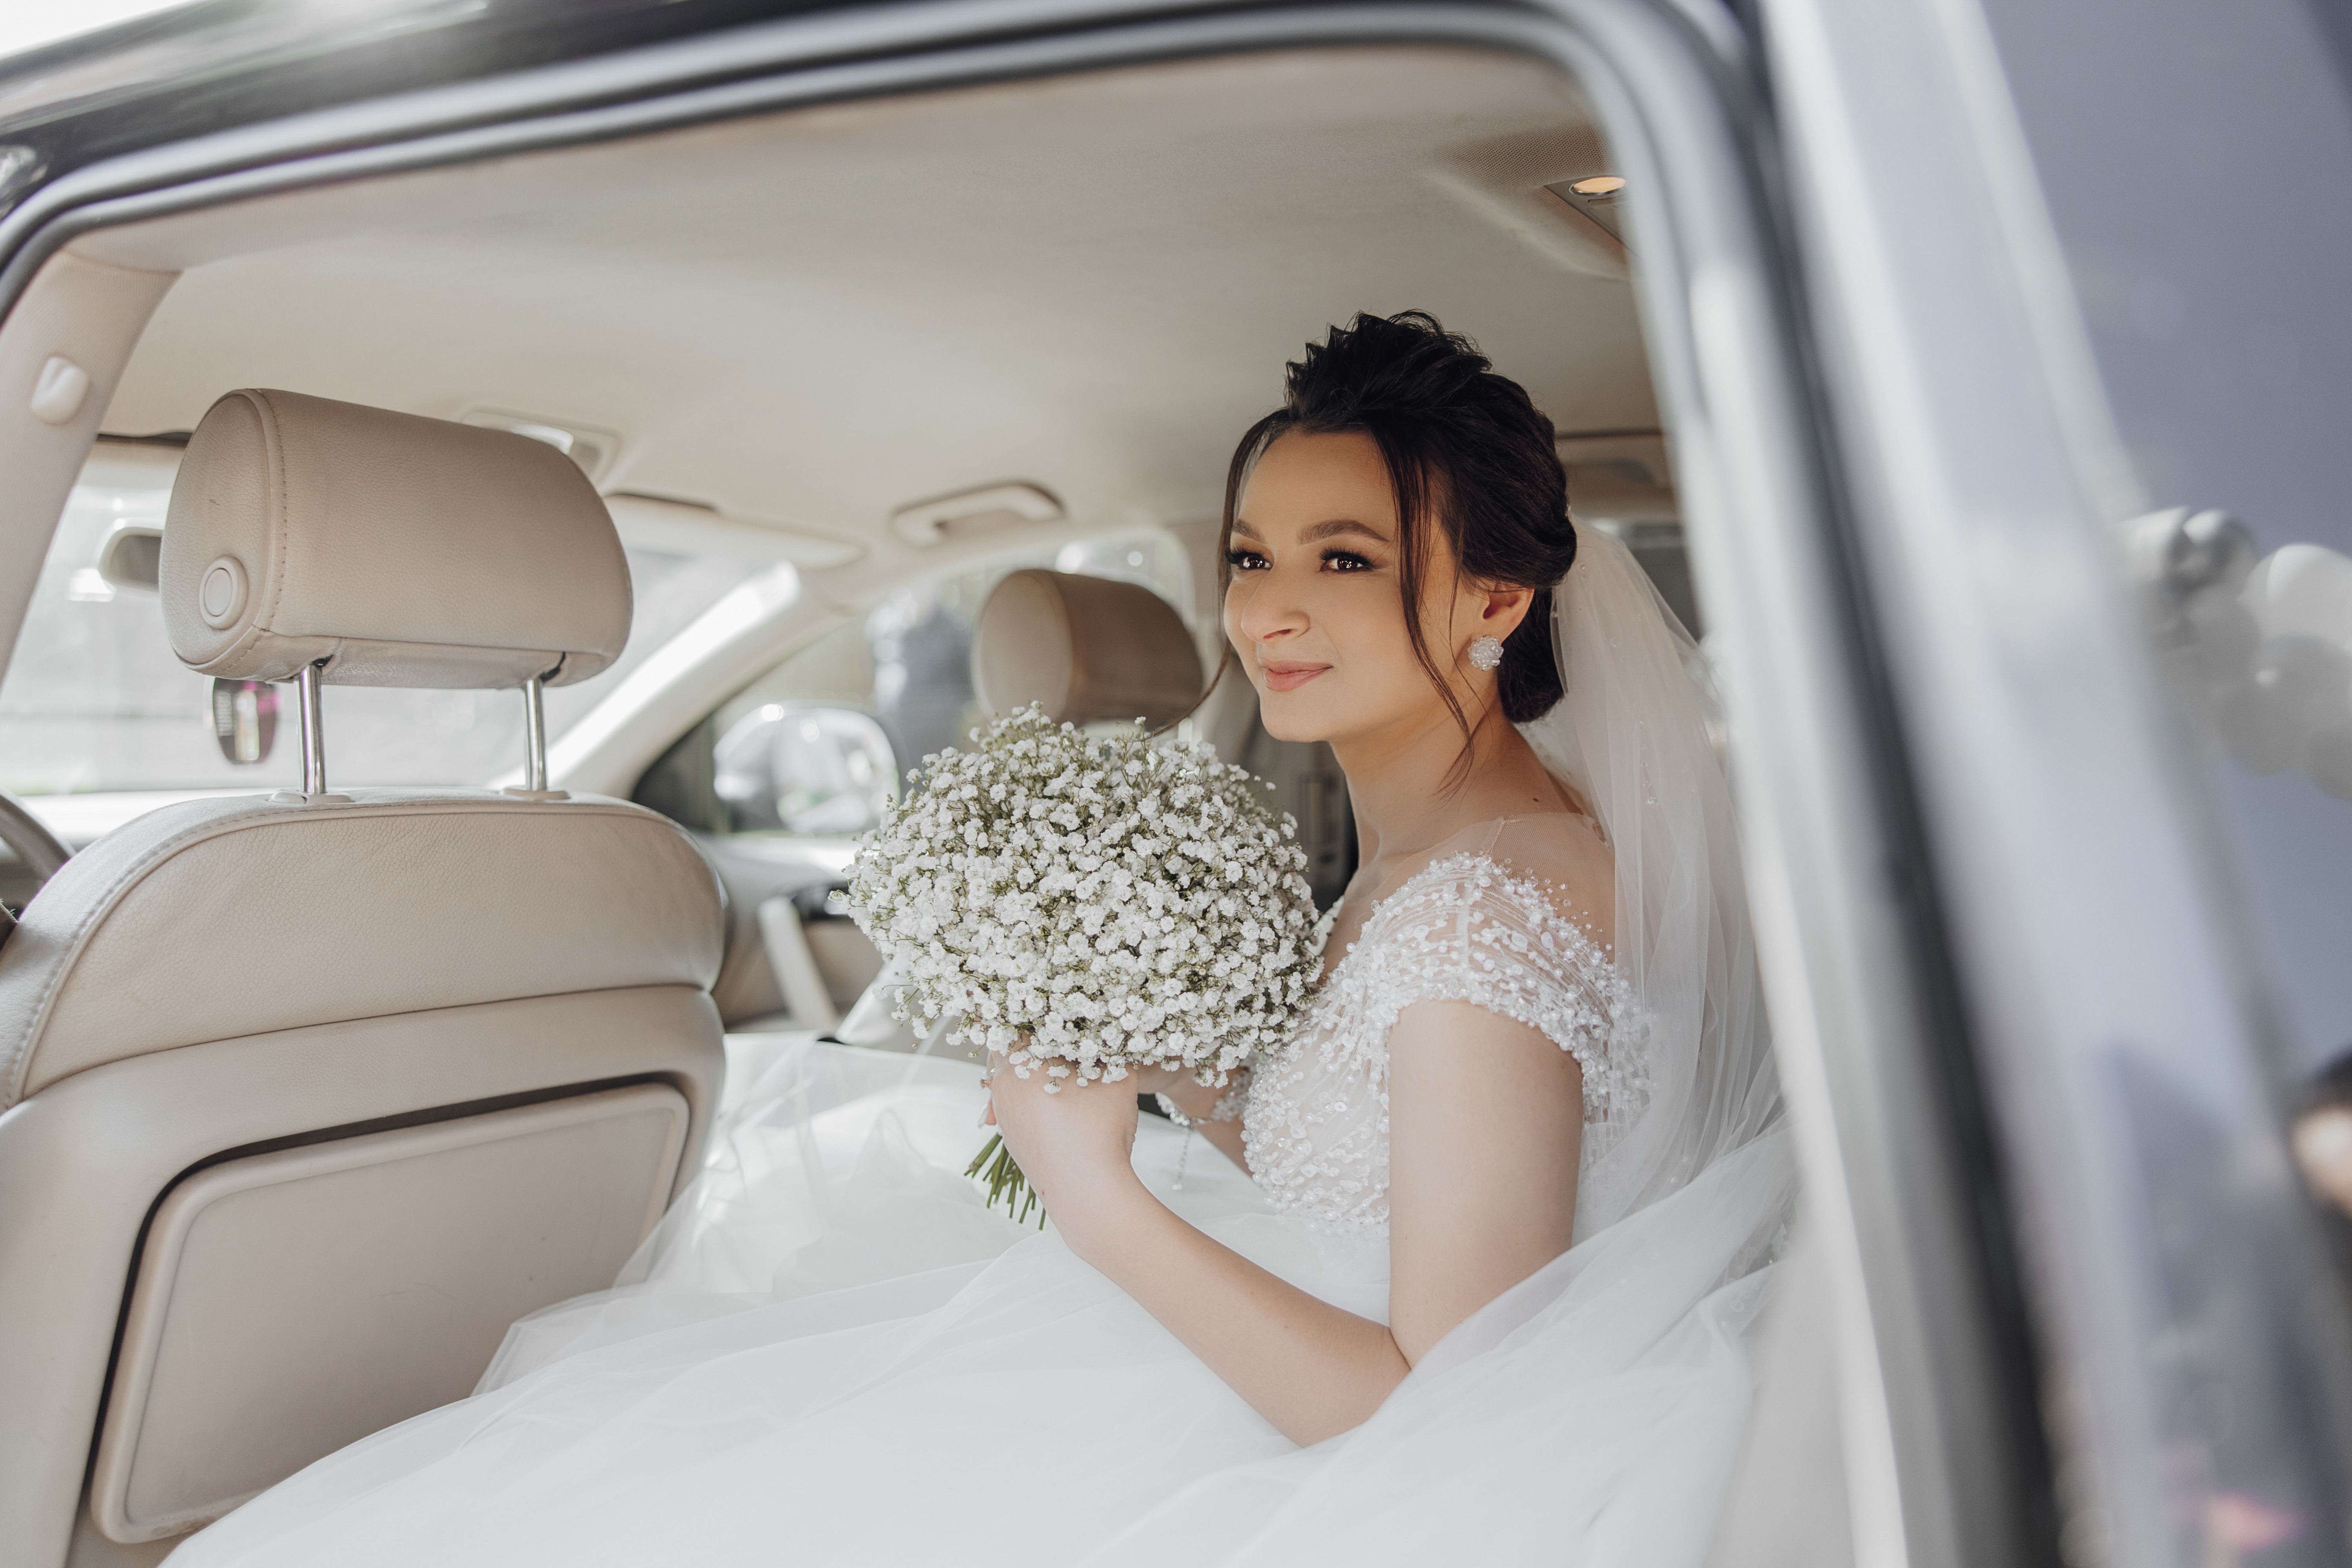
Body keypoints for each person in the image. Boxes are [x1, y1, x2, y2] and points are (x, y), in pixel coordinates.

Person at [167, 312, 1791, 1567]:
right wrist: (1182, 1065)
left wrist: (1099, 1198)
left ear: (1497, 601)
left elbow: (1442, 1401)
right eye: (1250, 555)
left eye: (1346, 562)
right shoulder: (1471, 841)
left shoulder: (1481, 919)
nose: (1270, 612)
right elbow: (1384, 1164)